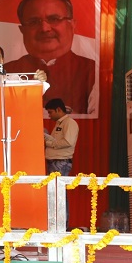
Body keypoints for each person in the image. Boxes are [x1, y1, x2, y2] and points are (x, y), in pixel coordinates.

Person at [4, 0, 95, 114]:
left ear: (72, 25)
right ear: (22, 30)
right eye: (34, 22)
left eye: (54, 19)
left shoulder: (92, 71)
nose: (45, 28)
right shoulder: (6, 73)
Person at [44, 97, 78, 228]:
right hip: (54, 162)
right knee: (54, 194)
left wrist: (48, 142)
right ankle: (56, 224)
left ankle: (62, 224)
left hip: (61, 163)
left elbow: (68, 142)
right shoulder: (59, 124)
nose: (49, 115)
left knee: (59, 194)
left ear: (59, 110)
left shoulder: (70, 123)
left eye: (51, 112)